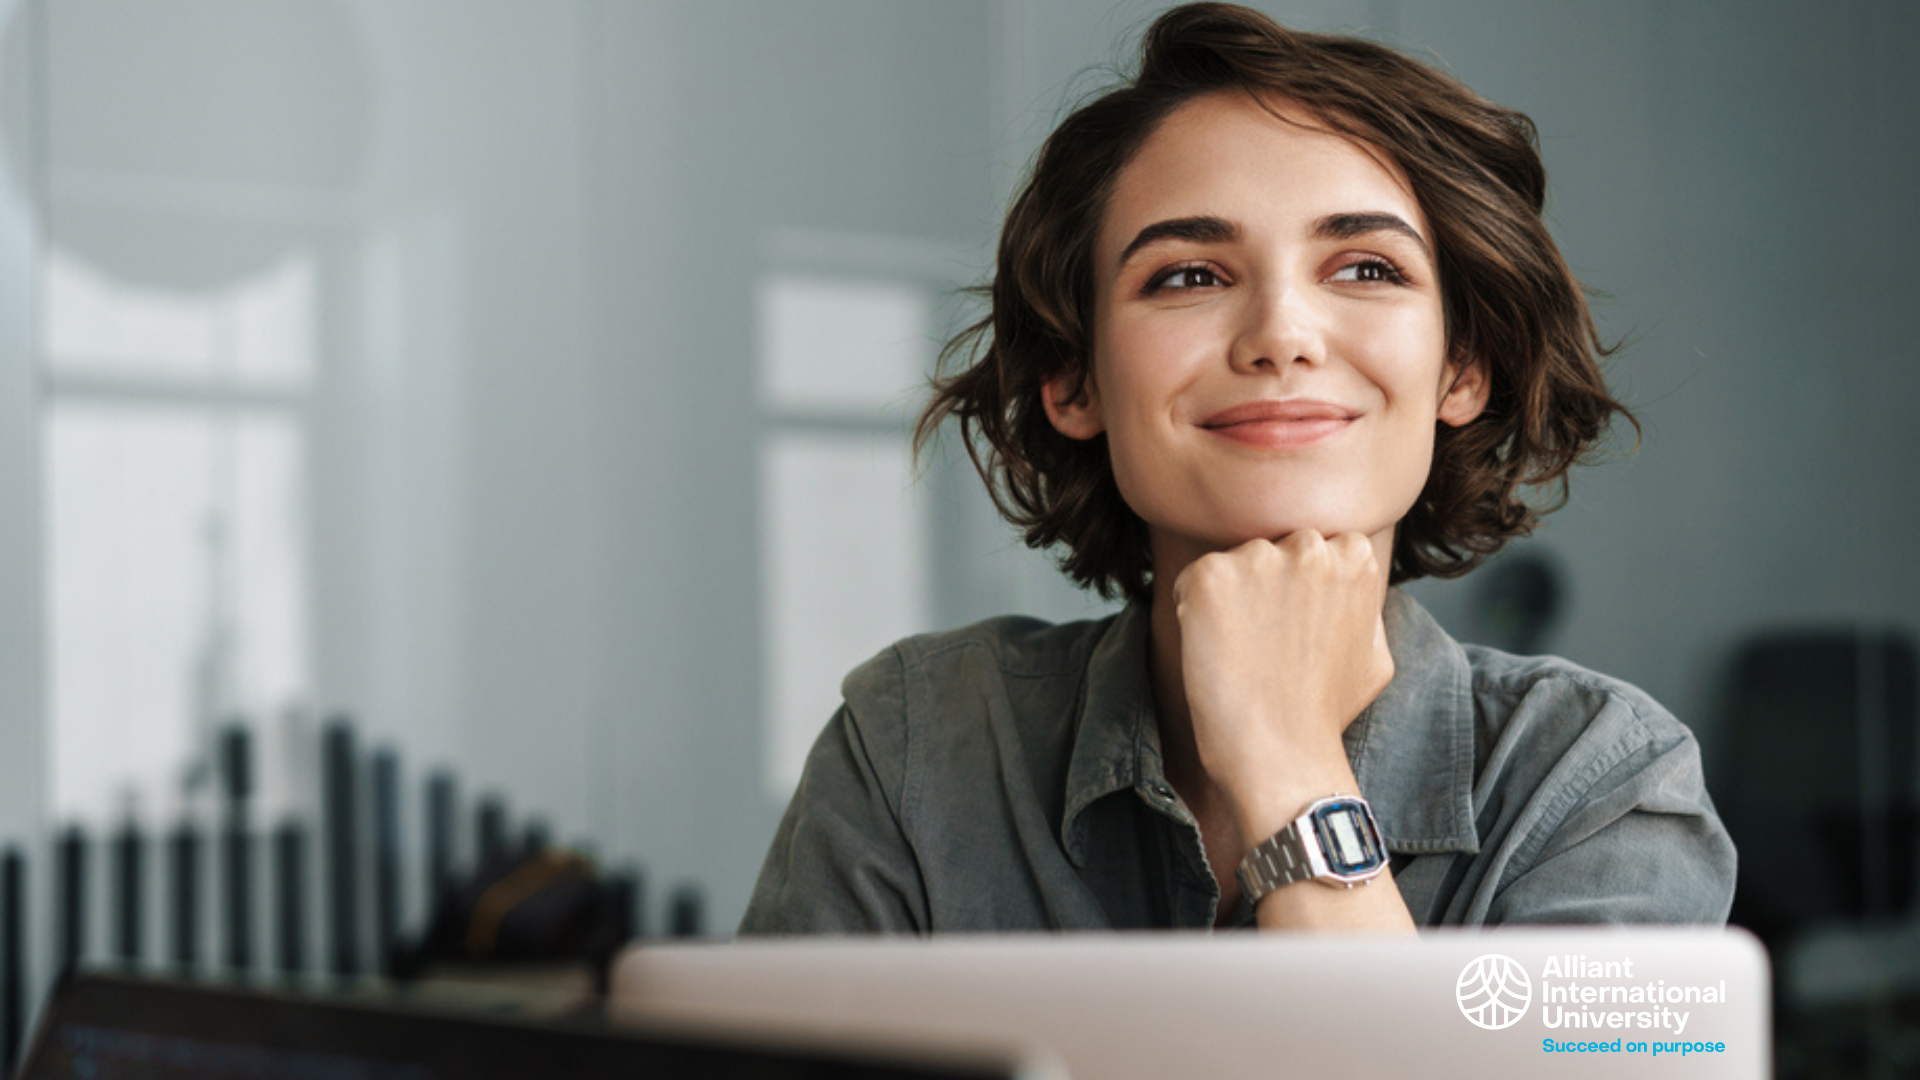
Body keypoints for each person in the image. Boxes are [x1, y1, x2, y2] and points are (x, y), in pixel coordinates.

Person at [740, 2, 1734, 934]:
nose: (1282, 336)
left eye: (1366, 268)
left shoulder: (1601, 785)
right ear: (1072, 380)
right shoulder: (915, 747)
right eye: (1189, 275)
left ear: (1461, 367)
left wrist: (1286, 760)